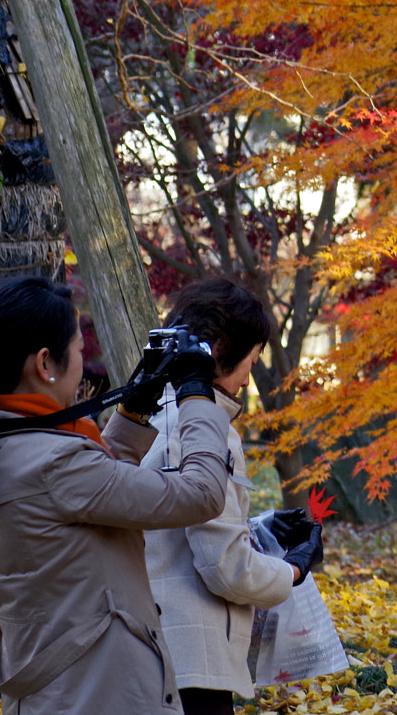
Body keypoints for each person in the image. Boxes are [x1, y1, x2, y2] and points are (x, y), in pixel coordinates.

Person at [0, 277, 231, 715]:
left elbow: (97, 494)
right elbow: (201, 494)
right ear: (45, 363)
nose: (82, 363)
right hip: (102, 690)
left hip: (60, 688)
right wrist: (200, 395)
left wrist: (136, 406)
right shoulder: (53, 463)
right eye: (79, 350)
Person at [143, 279, 323, 715]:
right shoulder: (207, 433)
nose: (248, 379)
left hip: (150, 651)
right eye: (252, 361)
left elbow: (172, 532)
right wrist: (293, 570)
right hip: (193, 659)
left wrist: (257, 527)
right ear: (221, 351)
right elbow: (224, 567)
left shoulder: (148, 419)